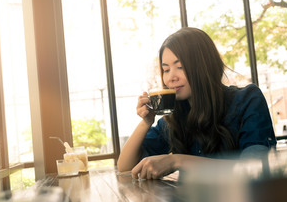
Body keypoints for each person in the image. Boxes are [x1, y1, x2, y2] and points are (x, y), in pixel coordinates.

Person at [117, 27, 276, 180]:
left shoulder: (248, 100)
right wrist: (146, 122)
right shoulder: (177, 116)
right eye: (166, 70)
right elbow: (125, 166)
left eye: (180, 67)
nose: (171, 78)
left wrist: (176, 161)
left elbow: (254, 168)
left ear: (203, 66)